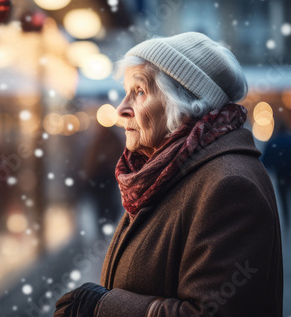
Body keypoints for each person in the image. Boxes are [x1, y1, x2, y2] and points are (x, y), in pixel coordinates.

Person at [53, 32, 283, 316]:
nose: (121, 109)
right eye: (126, 92)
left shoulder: (228, 185)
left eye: (139, 92)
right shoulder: (160, 171)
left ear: (185, 103)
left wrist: (104, 307)